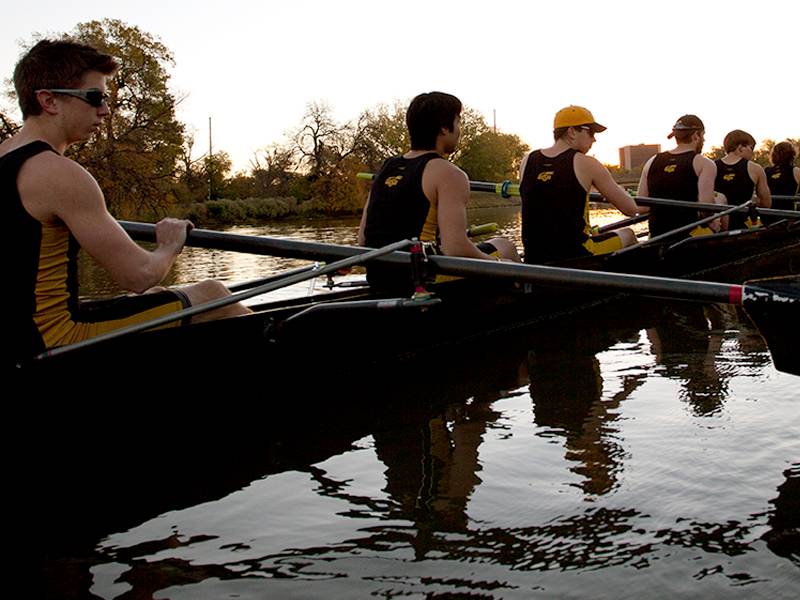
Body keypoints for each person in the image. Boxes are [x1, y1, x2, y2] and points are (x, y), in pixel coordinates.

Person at [4, 39, 248, 366]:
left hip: (14, 338)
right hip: (53, 340)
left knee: (158, 298)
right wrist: (170, 244)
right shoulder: (59, 174)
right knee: (213, 295)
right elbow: (139, 274)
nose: (105, 109)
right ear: (49, 100)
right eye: (95, 97)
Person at [357, 91, 520, 291]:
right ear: (444, 128)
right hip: (422, 279)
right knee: (507, 248)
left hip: (377, 277)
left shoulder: (386, 168)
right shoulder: (449, 173)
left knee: (496, 245)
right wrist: (501, 266)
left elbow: (363, 240)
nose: (460, 130)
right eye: (458, 123)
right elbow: (455, 248)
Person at [518, 105, 642, 264]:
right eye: (590, 132)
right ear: (571, 132)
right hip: (577, 255)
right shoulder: (587, 163)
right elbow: (631, 209)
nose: (594, 139)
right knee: (629, 235)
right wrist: (621, 191)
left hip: (534, 258)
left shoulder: (527, 160)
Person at [638, 115, 725, 237]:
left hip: (656, 235)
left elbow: (641, 206)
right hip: (689, 236)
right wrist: (712, 221)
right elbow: (706, 207)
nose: (704, 140)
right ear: (696, 135)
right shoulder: (705, 163)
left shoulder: (651, 161)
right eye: (703, 135)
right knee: (721, 201)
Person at [713, 129, 771, 230]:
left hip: (716, 228)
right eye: (751, 148)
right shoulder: (755, 168)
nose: (752, 153)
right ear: (740, 148)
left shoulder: (711, 167)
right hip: (744, 229)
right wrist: (753, 201)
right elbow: (766, 204)